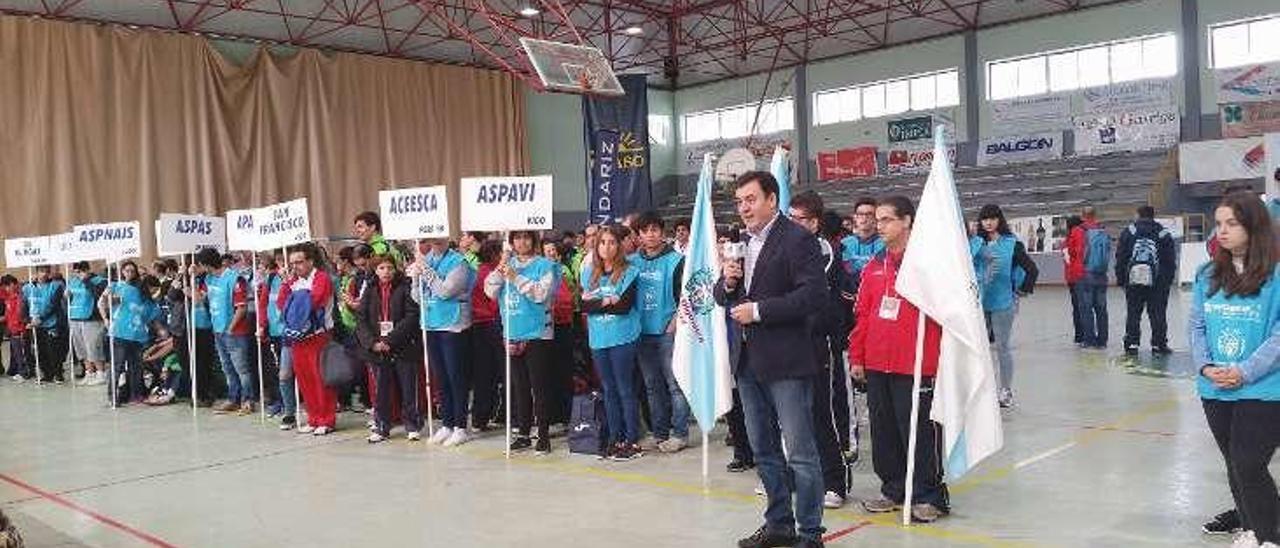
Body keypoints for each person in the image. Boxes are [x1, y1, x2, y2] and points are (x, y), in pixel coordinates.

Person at [715, 171, 827, 548]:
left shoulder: (797, 239)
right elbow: (723, 296)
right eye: (739, 201)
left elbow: (813, 296)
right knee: (763, 448)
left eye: (750, 199)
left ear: (772, 200)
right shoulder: (740, 242)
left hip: (787, 361)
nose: (744, 208)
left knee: (800, 451)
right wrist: (728, 282)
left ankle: (810, 533)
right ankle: (779, 523)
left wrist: (759, 310)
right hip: (747, 361)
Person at [849, 195, 950, 524]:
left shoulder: (928, 265)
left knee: (919, 431)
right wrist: (859, 356)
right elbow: (863, 315)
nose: (879, 226)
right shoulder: (875, 266)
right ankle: (893, 488)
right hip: (879, 364)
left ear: (907, 221)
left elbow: (946, 312)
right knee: (884, 431)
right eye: (877, 220)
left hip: (917, 364)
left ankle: (928, 494)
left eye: (886, 220)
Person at [1189, 192, 1280, 548]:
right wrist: (1205, 366)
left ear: (1253, 226)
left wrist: (1246, 371)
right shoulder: (1206, 274)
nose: (1222, 232)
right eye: (1219, 224)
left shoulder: (1275, 277)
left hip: (1264, 387)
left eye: (1232, 223)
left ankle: (1270, 536)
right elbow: (1196, 326)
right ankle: (1252, 527)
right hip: (1215, 388)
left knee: (1249, 462)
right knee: (1233, 463)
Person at [787, 191, 855, 510]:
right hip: (789, 345)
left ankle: (836, 481)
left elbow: (817, 306)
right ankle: (799, 477)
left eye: (799, 219)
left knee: (822, 415)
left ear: (814, 224)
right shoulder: (781, 251)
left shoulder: (825, 254)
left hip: (818, 345)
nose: (793, 225)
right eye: (790, 218)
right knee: (792, 417)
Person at [484, 230, 559, 454]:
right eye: (517, 238)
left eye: (527, 237)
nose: (522, 242)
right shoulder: (507, 263)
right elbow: (490, 290)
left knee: (540, 386)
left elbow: (541, 294)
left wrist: (515, 276)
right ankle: (523, 433)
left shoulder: (544, 265)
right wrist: (502, 266)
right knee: (520, 387)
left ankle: (543, 435)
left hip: (537, 333)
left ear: (534, 241)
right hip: (512, 331)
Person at [581, 224, 645, 461]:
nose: (606, 247)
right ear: (596, 246)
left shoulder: (629, 271)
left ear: (618, 246)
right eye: (602, 243)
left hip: (623, 337)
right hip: (599, 339)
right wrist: (607, 299)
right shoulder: (589, 273)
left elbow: (623, 307)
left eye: (611, 242)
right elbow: (584, 306)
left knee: (625, 389)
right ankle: (614, 438)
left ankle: (631, 440)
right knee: (608, 390)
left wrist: (598, 301)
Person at [630, 211, 690, 453]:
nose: (650, 235)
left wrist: (674, 323)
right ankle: (659, 432)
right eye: (645, 231)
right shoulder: (632, 261)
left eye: (655, 230)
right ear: (640, 235)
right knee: (652, 385)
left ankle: (680, 433)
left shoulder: (677, 260)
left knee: (675, 384)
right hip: (641, 332)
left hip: (668, 330)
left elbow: (686, 296)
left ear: (662, 232)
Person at [408, 237, 475, 447]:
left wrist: (426, 271)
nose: (435, 241)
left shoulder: (459, 262)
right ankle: (446, 423)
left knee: (456, 376)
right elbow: (417, 297)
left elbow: (446, 291)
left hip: (453, 324)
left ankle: (460, 426)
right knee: (440, 377)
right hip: (431, 323)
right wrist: (415, 278)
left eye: (440, 237)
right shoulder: (425, 259)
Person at [971, 204, 1039, 408]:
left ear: (999, 219)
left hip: (1002, 303)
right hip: (978, 304)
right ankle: (980, 388)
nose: (989, 222)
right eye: (985, 219)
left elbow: (1031, 269)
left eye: (993, 218)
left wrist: (1022, 290)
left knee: (1002, 347)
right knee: (977, 348)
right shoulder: (975, 244)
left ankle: (1006, 390)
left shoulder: (1012, 244)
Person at [359, 255, 423, 443]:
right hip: (377, 349)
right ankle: (381, 426)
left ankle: (412, 424)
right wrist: (372, 343)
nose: (386, 272)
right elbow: (361, 319)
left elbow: (411, 316)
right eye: (381, 268)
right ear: (375, 271)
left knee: (408, 388)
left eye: (389, 267)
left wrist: (391, 339)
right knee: (381, 391)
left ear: (395, 269)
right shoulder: (369, 290)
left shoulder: (405, 287)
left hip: (402, 346)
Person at [279, 243, 338, 435]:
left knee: (320, 378)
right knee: (304, 379)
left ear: (311, 261)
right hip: (298, 337)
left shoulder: (321, 278)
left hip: (318, 336)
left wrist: (296, 299)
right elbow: (281, 305)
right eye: (293, 263)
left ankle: (326, 419)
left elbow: (313, 302)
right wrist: (287, 286)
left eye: (300, 262)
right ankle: (313, 418)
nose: (295, 266)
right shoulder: (292, 281)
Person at [196, 248, 256, 414]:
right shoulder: (208, 279)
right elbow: (199, 300)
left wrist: (230, 328)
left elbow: (241, 308)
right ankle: (233, 398)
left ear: (206, 264)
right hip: (218, 330)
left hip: (234, 331)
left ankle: (247, 400)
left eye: (200, 265)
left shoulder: (235, 278)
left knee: (241, 368)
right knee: (227, 368)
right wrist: (189, 279)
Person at [98, 263, 164, 405]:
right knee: (117, 366)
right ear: (122, 271)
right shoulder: (117, 287)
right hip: (120, 333)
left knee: (136, 368)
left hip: (138, 337)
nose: (130, 273)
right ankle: (112, 396)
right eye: (127, 270)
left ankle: (136, 395)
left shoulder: (149, 301)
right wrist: (106, 318)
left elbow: (153, 319)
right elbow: (101, 302)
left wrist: (161, 330)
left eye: (132, 271)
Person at [1116, 205, 1177, 356]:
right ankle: (1159, 344)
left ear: (1138, 215)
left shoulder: (1129, 232)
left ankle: (1132, 344)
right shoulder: (1163, 233)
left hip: (1133, 280)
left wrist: (1121, 279)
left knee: (1133, 313)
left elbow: (1121, 257)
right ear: (1153, 215)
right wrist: (1167, 281)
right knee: (1158, 313)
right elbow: (1170, 260)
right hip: (1158, 282)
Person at [469, 240, 504, 430]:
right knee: (493, 373)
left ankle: (480, 417)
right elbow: (494, 302)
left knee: (484, 374)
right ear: (493, 254)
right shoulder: (488, 273)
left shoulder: (478, 271)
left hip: (481, 325)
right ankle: (493, 414)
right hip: (489, 324)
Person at [1067, 206, 1110, 349]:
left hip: (1084, 274)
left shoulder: (1077, 231)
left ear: (1083, 216)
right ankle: (1103, 340)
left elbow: (1072, 252)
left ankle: (1089, 340)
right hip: (1101, 274)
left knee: (1086, 308)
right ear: (1095, 215)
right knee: (1101, 308)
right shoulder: (1102, 230)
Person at [67, 262, 108, 386]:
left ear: (87, 270)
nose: (77, 274)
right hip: (75, 317)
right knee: (81, 348)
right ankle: (89, 372)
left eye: (80, 271)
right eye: (75, 271)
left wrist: (86, 280)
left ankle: (101, 372)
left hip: (92, 318)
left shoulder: (100, 281)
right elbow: (70, 295)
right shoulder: (72, 281)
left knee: (93, 346)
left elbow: (99, 294)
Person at [24, 265, 67, 383]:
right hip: (35, 325)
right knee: (40, 351)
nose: (44, 274)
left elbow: (53, 305)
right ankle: (47, 374)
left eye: (46, 272)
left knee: (53, 350)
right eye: (41, 271)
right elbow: (24, 306)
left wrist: (40, 318)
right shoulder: (28, 288)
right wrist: (28, 321)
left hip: (51, 324)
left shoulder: (56, 286)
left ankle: (58, 374)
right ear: (36, 272)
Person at [840, 198, 885, 279]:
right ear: (855, 217)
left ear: (876, 218)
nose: (864, 218)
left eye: (869, 214)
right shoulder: (844, 243)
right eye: (860, 214)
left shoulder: (885, 243)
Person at [3, 275, 31, 382]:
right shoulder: (8, 299)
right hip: (12, 330)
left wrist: (19, 327)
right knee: (17, 353)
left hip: (20, 330)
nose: (7, 288)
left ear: (14, 284)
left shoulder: (20, 298)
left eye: (8, 285)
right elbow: (7, 314)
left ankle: (24, 373)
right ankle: (20, 371)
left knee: (22, 352)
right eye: (6, 286)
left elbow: (20, 314)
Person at [1064, 215, 1085, 345]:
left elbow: (1066, 260)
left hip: (1071, 277)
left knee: (1076, 306)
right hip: (1079, 276)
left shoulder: (1066, 241)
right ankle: (1084, 333)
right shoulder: (1080, 237)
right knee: (1082, 306)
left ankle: (1078, 335)